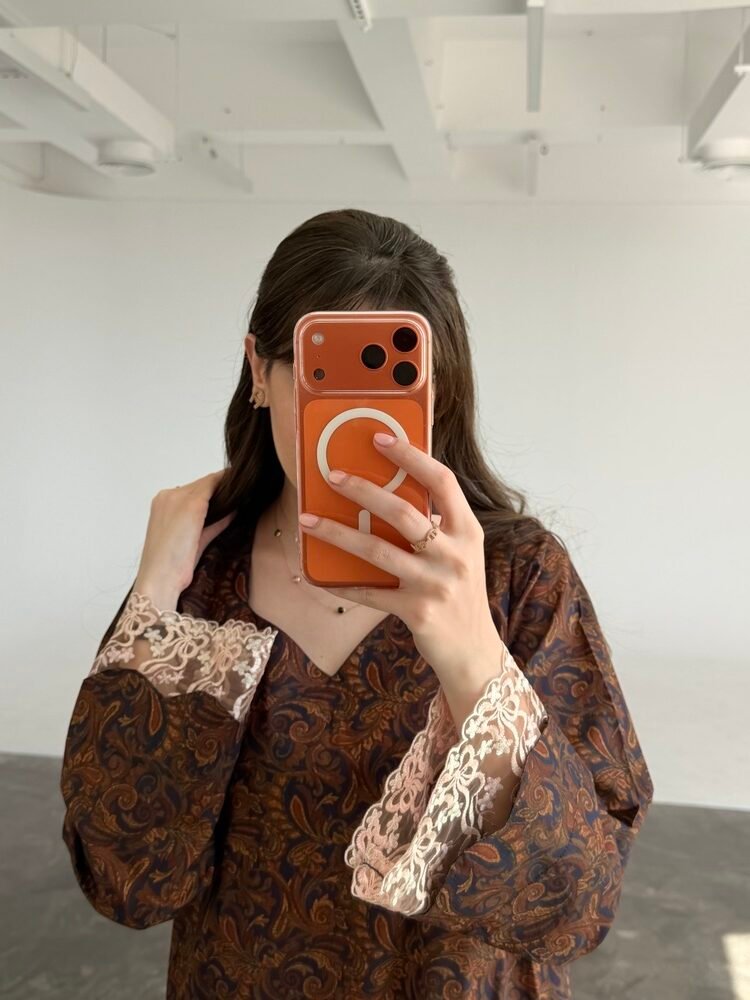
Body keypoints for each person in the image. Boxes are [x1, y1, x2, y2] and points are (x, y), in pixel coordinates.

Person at [59, 208, 654, 1000]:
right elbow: (125, 881)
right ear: (259, 371)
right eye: (325, 377)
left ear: (438, 395)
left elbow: (577, 904)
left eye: (392, 383)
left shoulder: (518, 577)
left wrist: (474, 658)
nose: (356, 419)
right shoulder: (197, 584)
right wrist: (154, 601)